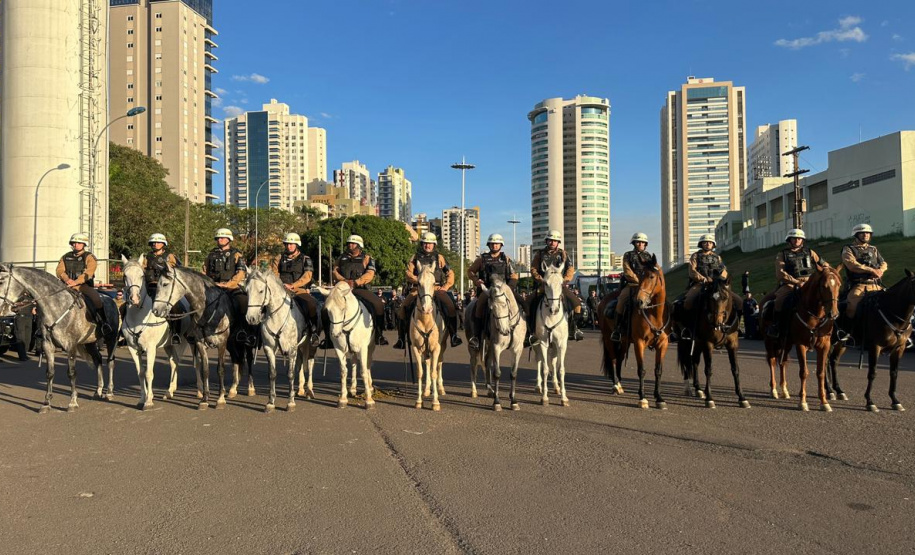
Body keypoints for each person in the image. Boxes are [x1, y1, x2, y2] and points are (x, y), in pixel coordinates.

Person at [394, 232, 462, 349]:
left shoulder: (440, 257)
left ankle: (453, 335)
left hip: (436, 289)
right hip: (419, 289)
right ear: (422, 244)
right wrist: (420, 281)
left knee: (450, 306)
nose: (427, 246)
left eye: (430, 243)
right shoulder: (415, 257)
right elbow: (408, 273)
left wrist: (446, 287)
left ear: (434, 245)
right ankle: (401, 338)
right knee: (403, 307)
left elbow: (450, 273)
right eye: (425, 243)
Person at [319, 234, 389, 348]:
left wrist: (357, 282)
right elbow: (334, 272)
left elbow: (370, 274)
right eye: (349, 243)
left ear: (359, 245)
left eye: (353, 243)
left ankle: (379, 335)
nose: (350, 245)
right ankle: (328, 338)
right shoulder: (341, 258)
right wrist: (345, 281)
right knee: (325, 308)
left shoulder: (367, 258)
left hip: (360, 288)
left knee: (378, 304)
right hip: (342, 289)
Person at [528, 230, 584, 345]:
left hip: (560, 286)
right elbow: (533, 268)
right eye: (550, 240)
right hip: (544, 286)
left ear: (558, 242)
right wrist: (540, 279)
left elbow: (570, 268)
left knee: (577, 304)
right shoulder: (540, 253)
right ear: (547, 241)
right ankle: (531, 332)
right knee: (528, 303)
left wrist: (565, 280)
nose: (552, 242)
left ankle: (574, 329)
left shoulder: (563, 253)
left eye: (555, 241)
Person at [467, 233, 522, 349]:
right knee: (479, 306)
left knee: (522, 303)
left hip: (504, 291)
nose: (495, 246)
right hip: (487, 291)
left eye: (497, 244)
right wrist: (477, 281)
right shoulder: (481, 259)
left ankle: (528, 334)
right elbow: (470, 271)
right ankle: (476, 337)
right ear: (489, 245)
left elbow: (514, 275)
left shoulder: (506, 259)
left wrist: (510, 287)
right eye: (492, 244)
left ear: (501, 245)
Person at [766, 228, 824, 338]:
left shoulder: (810, 252)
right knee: (779, 299)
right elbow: (780, 273)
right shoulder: (782, 254)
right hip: (790, 284)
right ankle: (776, 326)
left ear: (803, 240)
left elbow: (823, 264)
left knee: (828, 296)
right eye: (794, 238)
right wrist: (797, 282)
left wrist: (829, 272)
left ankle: (832, 328)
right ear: (789, 240)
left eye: (799, 238)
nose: (797, 240)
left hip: (810, 282)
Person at [56, 232, 111, 335]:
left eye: (78, 243)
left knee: (96, 299)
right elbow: (59, 270)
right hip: (66, 285)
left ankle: (103, 323)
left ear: (84, 244)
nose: (75, 245)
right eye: (74, 243)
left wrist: (76, 282)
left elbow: (89, 272)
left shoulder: (90, 257)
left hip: (83, 286)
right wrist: (67, 279)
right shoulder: (65, 257)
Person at [270, 232, 320, 344]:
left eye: (292, 244)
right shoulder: (278, 258)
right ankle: (259, 333)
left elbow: (307, 276)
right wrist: (281, 285)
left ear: (297, 245)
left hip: (298, 290)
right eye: (287, 244)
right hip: (281, 290)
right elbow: (274, 274)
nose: (289, 246)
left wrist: (293, 285)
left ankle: (314, 332)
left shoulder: (305, 259)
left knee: (312, 304)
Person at [611, 232, 655, 341]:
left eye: (642, 242)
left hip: (646, 287)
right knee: (621, 301)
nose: (640, 244)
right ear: (634, 243)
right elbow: (627, 271)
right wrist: (639, 281)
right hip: (632, 285)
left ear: (645, 244)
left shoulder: (648, 256)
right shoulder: (628, 255)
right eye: (638, 242)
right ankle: (617, 329)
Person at [202, 228, 249, 327]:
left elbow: (241, 273)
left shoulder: (236, 253)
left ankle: (242, 329)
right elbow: (204, 271)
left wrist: (228, 284)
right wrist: (208, 283)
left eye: (222, 238)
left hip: (231, 287)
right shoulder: (211, 254)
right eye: (218, 238)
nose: (220, 240)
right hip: (212, 286)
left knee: (244, 302)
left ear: (229, 239)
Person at [142, 232, 183, 343]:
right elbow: (142, 270)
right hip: (149, 287)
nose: (155, 244)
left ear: (163, 244)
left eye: (158, 242)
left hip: (165, 289)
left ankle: (175, 333)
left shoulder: (170, 256)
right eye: (153, 242)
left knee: (178, 308)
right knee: (128, 305)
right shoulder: (147, 257)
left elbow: (178, 271)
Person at [841, 223, 887, 320]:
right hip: (858, 286)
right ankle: (849, 333)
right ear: (856, 235)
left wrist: (880, 271)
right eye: (862, 233)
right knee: (852, 309)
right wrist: (872, 270)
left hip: (875, 285)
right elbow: (852, 265)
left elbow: (883, 263)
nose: (865, 235)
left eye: (868, 233)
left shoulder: (873, 249)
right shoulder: (848, 249)